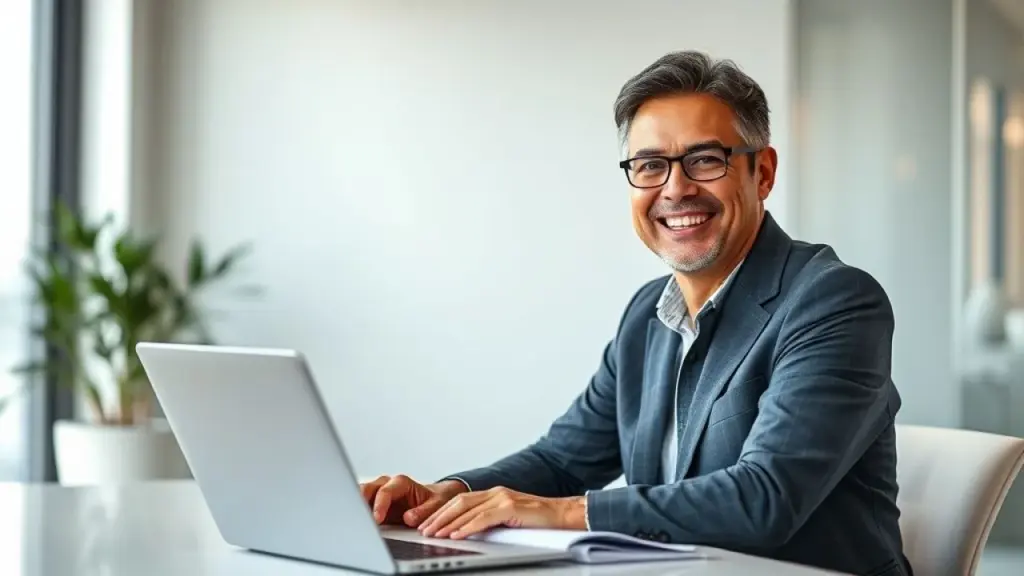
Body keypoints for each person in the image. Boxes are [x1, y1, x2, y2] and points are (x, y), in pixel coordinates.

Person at [360, 50, 911, 576]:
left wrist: (564, 512)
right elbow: (564, 463)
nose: (676, 188)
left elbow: (765, 499)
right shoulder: (648, 313)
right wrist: (447, 495)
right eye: (650, 165)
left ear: (762, 173)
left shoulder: (833, 302)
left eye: (704, 160)